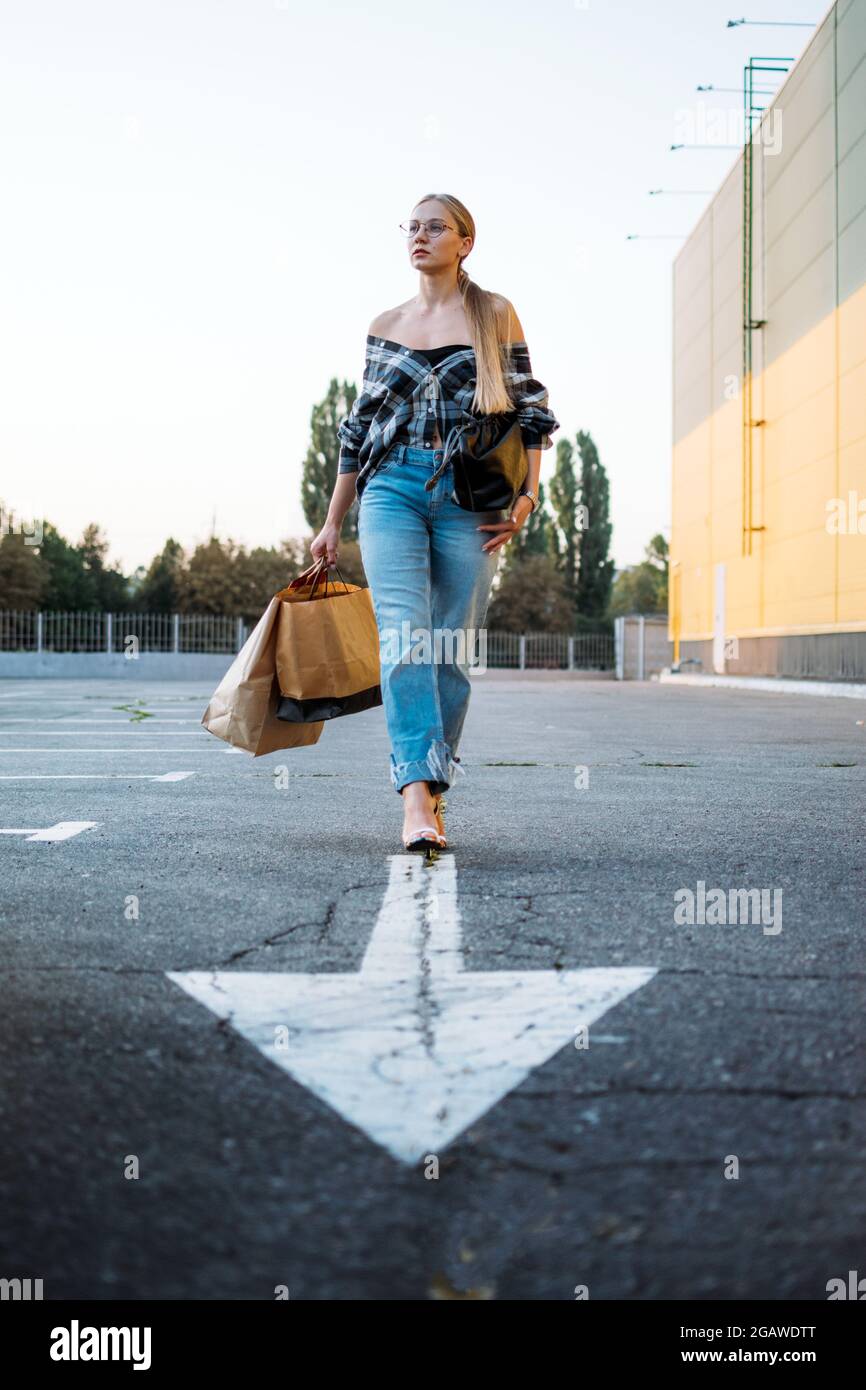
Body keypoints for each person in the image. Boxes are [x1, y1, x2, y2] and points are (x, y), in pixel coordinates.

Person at [307, 192, 559, 851]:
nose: (420, 236)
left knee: (451, 643)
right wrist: (333, 522)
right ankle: (415, 796)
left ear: (464, 241)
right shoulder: (384, 322)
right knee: (402, 636)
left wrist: (527, 500)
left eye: (435, 227)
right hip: (389, 491)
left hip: (471, 499)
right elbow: (358, 428)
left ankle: (433, 786)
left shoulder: (493, 313)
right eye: (411, 227)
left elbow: (532, 410)